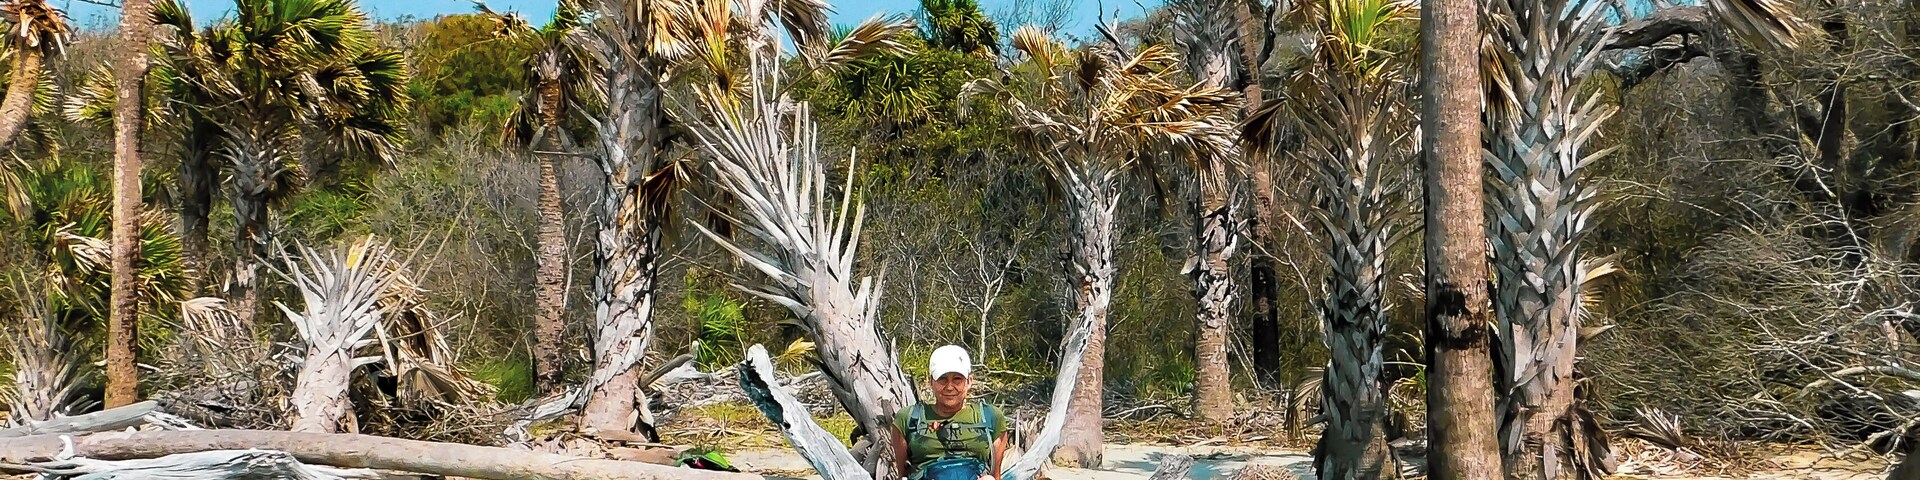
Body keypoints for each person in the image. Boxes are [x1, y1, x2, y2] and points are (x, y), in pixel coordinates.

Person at [891, 345, 1008, 480]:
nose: (949, 387)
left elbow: (996, 476)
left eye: (957, 379)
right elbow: (902, 475)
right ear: (931, 382)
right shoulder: (908, 419)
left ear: (969, 381)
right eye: (942, 379)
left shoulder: (991, 417)